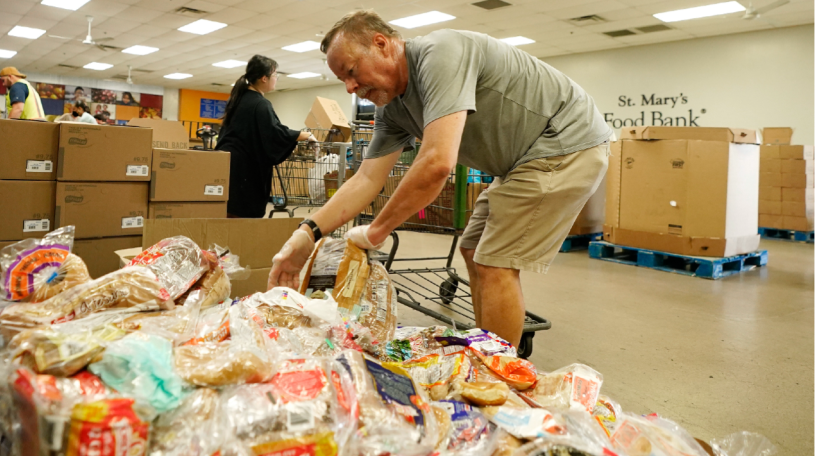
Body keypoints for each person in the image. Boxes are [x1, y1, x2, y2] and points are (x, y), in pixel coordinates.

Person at [268, 10, 612, 347]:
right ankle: (487, 349)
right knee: (473, 247)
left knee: (494, 262)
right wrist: (306, 233)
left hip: (563, 143)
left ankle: (497, 379)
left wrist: (376, 231)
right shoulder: (393, 110)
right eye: (343, 79)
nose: (350, 87)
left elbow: (437, 163)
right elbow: (366, 179)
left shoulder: (439, 54)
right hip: (520, 162)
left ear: (382, 43)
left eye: (352, 71)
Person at [215, 55, 317, 218]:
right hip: (245, 172)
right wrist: (303, 135)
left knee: (229, 214)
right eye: (275, 75)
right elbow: (273, 133)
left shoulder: (239, 99)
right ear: (264, 78)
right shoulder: (260, 103)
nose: (276, 79)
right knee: (243, 217)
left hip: (227, 166)